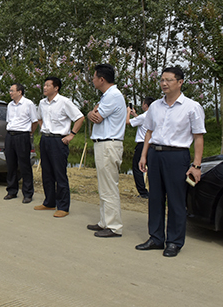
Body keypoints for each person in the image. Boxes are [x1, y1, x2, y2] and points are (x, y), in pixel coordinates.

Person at [136, 67, 205, 257]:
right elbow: (149, 132)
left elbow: (198, 137)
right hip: (155, 154)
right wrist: (144, 155)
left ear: (180, 82)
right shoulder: (155, 106)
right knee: (155, 198)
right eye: (162, 80)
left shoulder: (192, 107)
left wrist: (196, 165)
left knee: (176, 200)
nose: (164, 83)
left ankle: (174, 241)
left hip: (177, 156)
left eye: (169, 80)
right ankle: (156, 238)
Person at [35, 77, 84, 217]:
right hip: (45, 139)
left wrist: (72, 134)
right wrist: (44, 128)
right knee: (46, 172)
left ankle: (63, 207)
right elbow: (39, 118)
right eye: (44, 85)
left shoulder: (64, 102)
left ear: (56, 88)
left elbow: (80, 118)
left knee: (59, 173)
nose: (44, 88)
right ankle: (49, 202)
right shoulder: (42, 103)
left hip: (58, 141)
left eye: (48, 85)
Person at [86, 63, 126, 238]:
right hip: (103, 143)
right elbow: (93, 113)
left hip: (109, 144)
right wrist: (91, 112)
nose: (93, 80)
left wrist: (92, 113)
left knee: (109, 186)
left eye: (94, 77)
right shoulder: (107, 96)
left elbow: (97, 117)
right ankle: (104, 221)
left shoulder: (113, 95)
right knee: (104, 186)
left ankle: (114, 226)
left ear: (101, 79)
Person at [3, 83, 38, 203]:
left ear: (19, 92)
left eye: (12, 90)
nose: (10, 93)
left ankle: (28, 193)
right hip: (10, 135)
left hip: (22, 135)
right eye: (10, 90)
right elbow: (9, 121)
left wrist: (29, 133)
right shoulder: (10, 105)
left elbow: (34, 121)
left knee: (24, 165)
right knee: (10, 164)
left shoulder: (28, 104)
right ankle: (12, 191)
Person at [126, 96, 155, 199]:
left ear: (146, 105)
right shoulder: (153, 115)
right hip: (152, 145)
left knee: (137, 168)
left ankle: (142, 192)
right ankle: (154, 191)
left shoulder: (143, 116)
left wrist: (128, 112)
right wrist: (135, 115)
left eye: (143, 103)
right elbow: (142, 122)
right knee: (151, 168)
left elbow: (127, 122)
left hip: (142, 144)